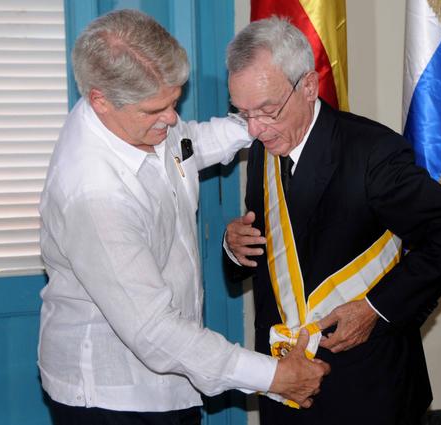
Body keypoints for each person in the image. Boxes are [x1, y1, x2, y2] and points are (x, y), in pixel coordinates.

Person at [38, 9, 330, 425]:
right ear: (99, 100)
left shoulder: (139, 122)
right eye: (156, 109)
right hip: (116, 398)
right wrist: (273, 376)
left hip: (176, 383)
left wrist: (261, 118)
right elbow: (154, 332)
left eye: (174, 102)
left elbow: (190, 143)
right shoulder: (94, 194)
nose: (171, 118)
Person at [223, 17, 441, 425]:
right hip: (286, 389)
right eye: (243, 113)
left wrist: (376, 309)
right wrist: (233, 248)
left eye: (267, 110)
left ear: (308, 86)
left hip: (366, 389)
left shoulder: (371, 153)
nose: (254, 129)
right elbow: (278, 255)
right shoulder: (266, 147)